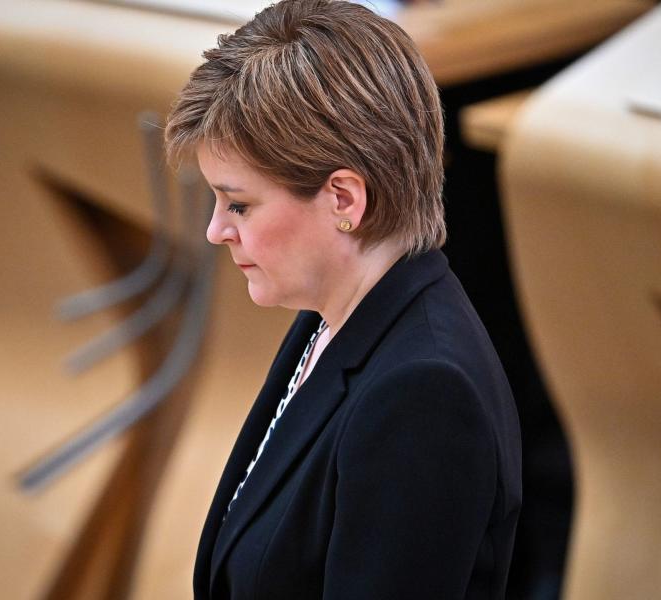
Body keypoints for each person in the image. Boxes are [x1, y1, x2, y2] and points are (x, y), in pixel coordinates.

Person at [165, 1, 521, 598]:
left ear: (344, 201)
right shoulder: (333, 316)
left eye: (239, 204)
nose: (215, 231)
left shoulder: (424, 397)